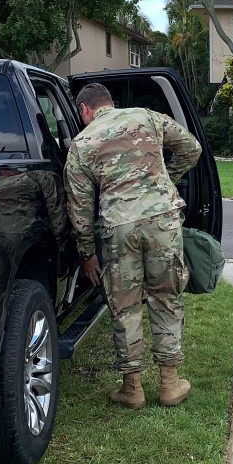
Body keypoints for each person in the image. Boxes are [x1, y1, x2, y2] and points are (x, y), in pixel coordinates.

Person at [64, 82, 202, 410]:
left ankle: (132, 388)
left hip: (118, 227)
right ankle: (169, 384)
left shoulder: (82, 143)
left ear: (84, 110)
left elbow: (79, 207)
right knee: (166, 298)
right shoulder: (147, 116)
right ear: (110, 103)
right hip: (162, 220)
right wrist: (166, 177)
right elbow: (192, 148)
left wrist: (87, 254)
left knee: (125, 307)